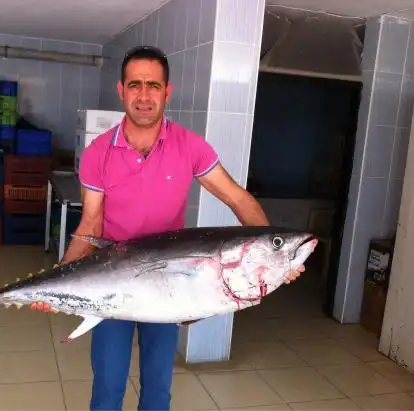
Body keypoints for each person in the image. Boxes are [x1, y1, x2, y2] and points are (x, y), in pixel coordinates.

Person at [36, 45, 304, 411]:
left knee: (158, 389)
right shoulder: (99, 151)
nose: (144, 96)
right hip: (113, 276)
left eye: (153, 85)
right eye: (135, 85)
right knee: (108, 387)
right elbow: (91, 223)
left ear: (167, 91)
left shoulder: (189, 146)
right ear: (121, 90)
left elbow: (239, 200)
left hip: (170, 285)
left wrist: (270, 255)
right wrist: (60, 280)